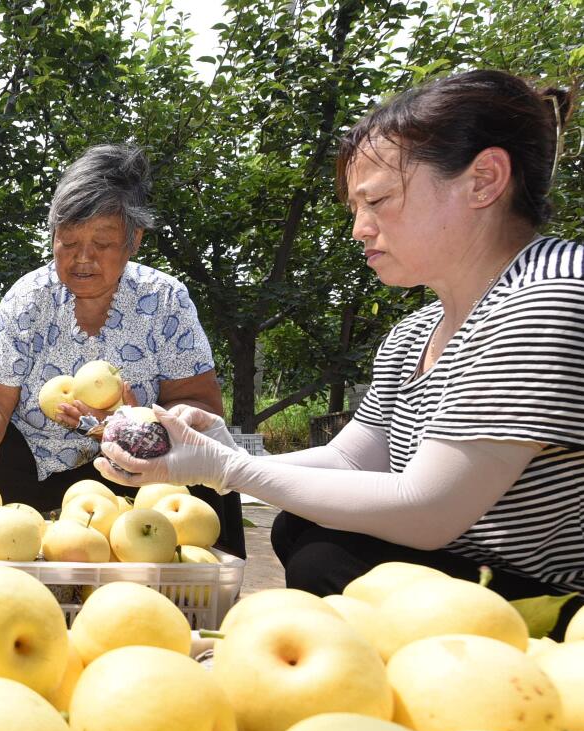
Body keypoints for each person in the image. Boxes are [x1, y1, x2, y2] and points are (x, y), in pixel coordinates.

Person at [96, 70, 584, 633]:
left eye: (378, 200)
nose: (359, 228)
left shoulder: (549, 297)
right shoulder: (415, 334)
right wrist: (225, 451)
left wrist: (227, 469)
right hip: (473, 576)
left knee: (324, 550)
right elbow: (352, 459)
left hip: (548, 597)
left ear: (483, 180)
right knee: (305, 528)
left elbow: (429, 508)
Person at [0, 144, 244, 554]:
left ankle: (204, 590)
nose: (83, 258)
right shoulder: (28, 298)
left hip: (133, 471)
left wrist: (132, 424)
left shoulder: (164, 300)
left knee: (211, 470)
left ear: (134, 241)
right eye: (68, 242)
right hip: (37, 465)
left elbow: (202, 408)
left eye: (102, 243)